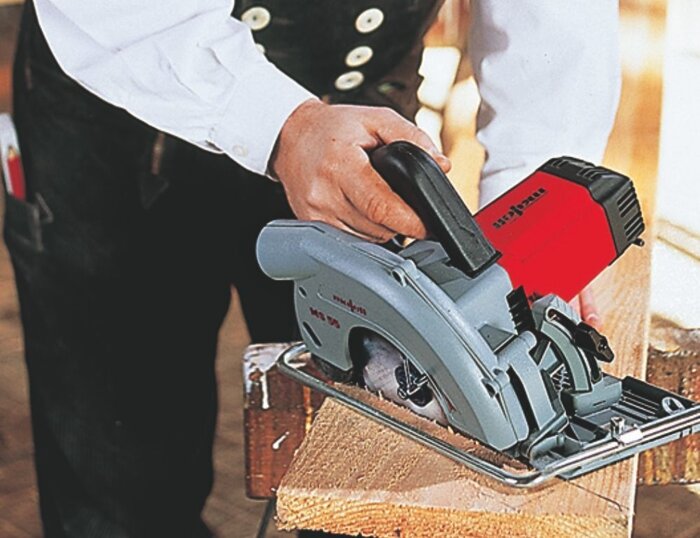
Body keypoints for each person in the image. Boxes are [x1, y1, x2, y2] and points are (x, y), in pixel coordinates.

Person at [5, 1, 620, 536]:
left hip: (365, 137)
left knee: (374, 483)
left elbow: (553, 21)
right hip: (128, 95)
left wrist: (533, 218)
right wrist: (278, 123)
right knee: (122, 480)